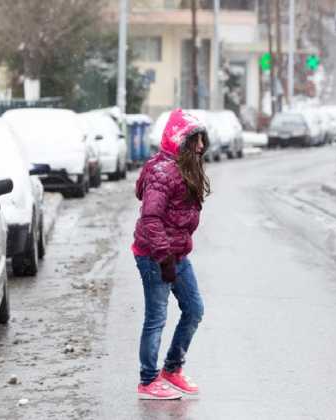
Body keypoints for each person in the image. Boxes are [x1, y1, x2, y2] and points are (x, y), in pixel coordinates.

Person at [132, 108, 210, 400]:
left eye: (202, 139)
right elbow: (151, 219)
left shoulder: (184, 168)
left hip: (176, 254)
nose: (200, 146)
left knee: (194, 309)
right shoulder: (164, 173)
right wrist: (163, 258)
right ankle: (148, 380)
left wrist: (172, 255)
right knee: (156, 317)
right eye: (194, 140)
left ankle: (172, 369)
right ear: (179, 140)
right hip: (154, 255)